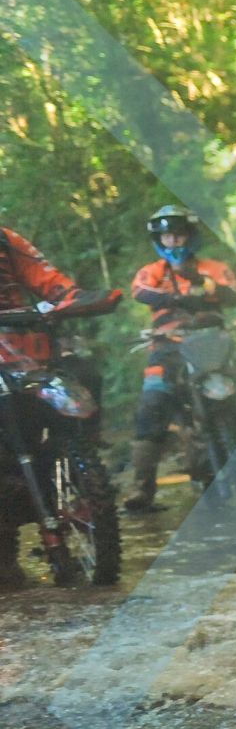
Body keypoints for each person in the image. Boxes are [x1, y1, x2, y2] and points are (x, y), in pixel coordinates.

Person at [124, 206, 236, 513]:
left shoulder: (214, 268)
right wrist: (176, 297)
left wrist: (204, 286)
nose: (174, 241)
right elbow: (140, 292)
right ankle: (141, 489)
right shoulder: (152, 271)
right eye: (167, 236)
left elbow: (234, 295)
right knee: (152, 404)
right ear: (159, 240)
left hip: (213, 342)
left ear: (191, 236)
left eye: (179, 235)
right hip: (167, 345)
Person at [0, 223, 91, 587]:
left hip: (22, 352)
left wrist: (71, 297)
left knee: (83, 372)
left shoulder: (6, 239)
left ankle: (83, 471)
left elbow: (47, 277)